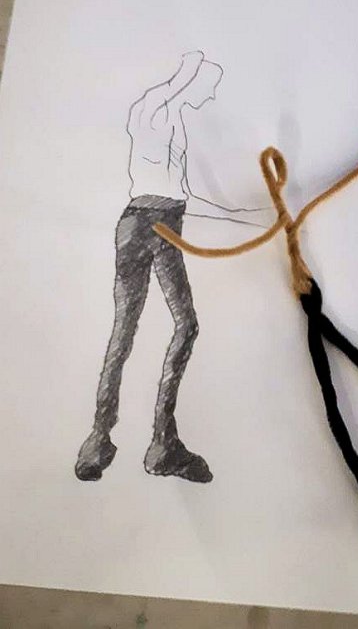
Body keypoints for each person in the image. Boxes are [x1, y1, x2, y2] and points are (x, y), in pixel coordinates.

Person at [75, 51, 263, 483]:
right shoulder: (163, 112)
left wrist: (249, 214)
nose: (211, 95)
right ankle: (162, 443)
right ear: (193, 81)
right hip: (159, 226)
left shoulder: (152, 115)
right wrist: (190, 67)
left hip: (132, 223)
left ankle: (98, 440)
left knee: (124, 330)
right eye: (209, 86)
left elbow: (184, 193)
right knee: (186, 324)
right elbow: (174, 195)